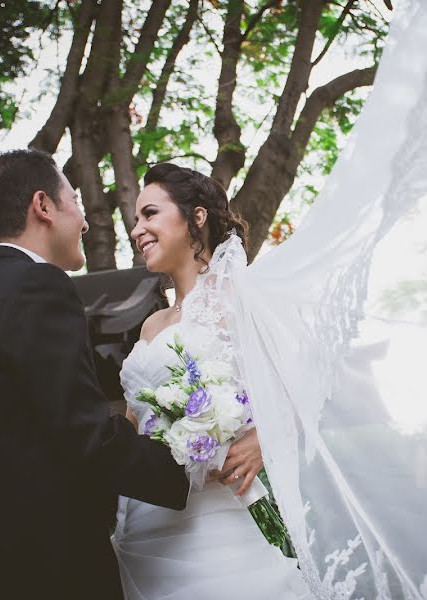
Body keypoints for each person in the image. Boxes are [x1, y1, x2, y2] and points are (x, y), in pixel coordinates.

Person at [0, 150, 190, 600]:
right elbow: (81, 432)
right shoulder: (36, 286)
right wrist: (184, 472)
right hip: (39, 571)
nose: (84, 222)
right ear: (43, 207)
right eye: (75, 202)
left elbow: (21, 430)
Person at [113, 163, 312, 599]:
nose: (137, 230)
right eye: (134, 220)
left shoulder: (242, 301)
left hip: (214, 522)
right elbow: (130, 423)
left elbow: (308, 383)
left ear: (196, 217)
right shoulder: (150, 326)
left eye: (149, 214)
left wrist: (266, 437)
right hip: (142, 522)